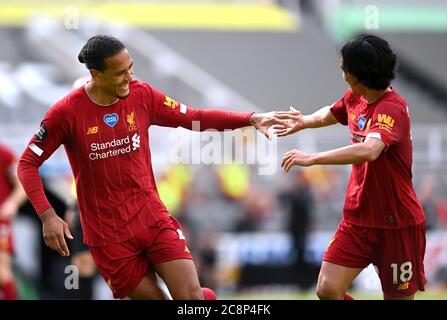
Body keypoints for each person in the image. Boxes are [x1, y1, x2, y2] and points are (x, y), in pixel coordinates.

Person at [17, 35, 286, 300]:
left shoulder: (142, 95)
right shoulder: (65, 113)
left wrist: (250, 118)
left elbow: (194, 117)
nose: (130, 77)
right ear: (96, 74)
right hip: (108, 237)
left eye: (131, 68)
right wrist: (47, 215)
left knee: (191, 299)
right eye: (120, 72)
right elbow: (28, 163)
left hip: (152, 220)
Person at [275, 34, 426, 300]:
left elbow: (369, 150)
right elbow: (332, 113)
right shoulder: (355, 97)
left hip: (396, 223)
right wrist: (304, 121)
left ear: (358, 74)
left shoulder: (392, 108)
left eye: (344, 67)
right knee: (328, 289)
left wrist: (313, 158)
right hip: (357, 220)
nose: (341, 71)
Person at [0, 143, 27, 299]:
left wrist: (12, 203)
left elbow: (22, 184)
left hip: (0, 222)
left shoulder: (4, 153)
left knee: (2, 271)